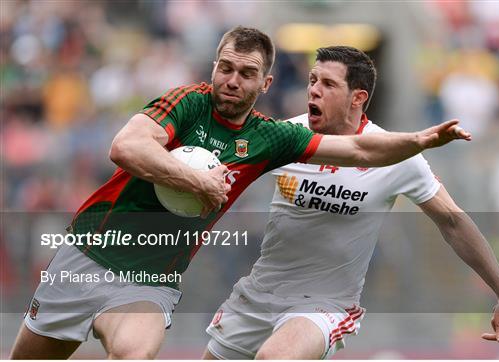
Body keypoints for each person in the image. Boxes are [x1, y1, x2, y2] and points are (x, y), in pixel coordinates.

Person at [10, 28, 470, 359]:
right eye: (225, 68)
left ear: (264, 84)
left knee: (135, 355)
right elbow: (125, 147)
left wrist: (421, 140)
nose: (231, 80)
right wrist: (197, 181)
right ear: (214, 67)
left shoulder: (270, 138)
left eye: (246, 73)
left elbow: (357, 147)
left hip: (148, 281)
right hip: (87, 255)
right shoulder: (188, 102)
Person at [203, 46, 499, 360]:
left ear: (358, 97)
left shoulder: (396, 156)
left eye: (328, 84)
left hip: (324, 305)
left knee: (274, 358)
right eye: (312, 80)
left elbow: (453, 222)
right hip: (258, 295)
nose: (313, 90)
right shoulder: (285, 136)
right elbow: (218, 177)